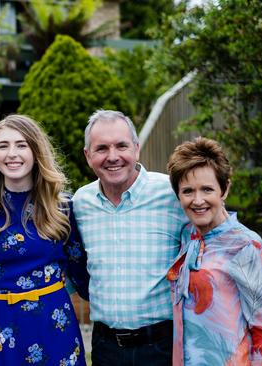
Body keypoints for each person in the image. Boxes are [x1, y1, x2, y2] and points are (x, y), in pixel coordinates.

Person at [0, 114, 90, 366]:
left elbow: (83, 274)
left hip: (53, 322)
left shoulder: (63, 206)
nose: (12, 153)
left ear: (36, 152)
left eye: (21, 145)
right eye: (3, 146)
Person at [72, 109, 188, 365]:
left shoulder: (172, 194)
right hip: (105, 348)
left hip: (162, 347)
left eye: (121, 146)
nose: (113, 157)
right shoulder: (80, 203)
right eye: (101, 148)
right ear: (87, 155)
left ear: (136, 148)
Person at [166, 137, 262, 365]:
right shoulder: (187, 235)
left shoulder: (247, 247)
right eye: (188, 191)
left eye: (207, 189)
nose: (198, 200)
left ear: (224, 188)